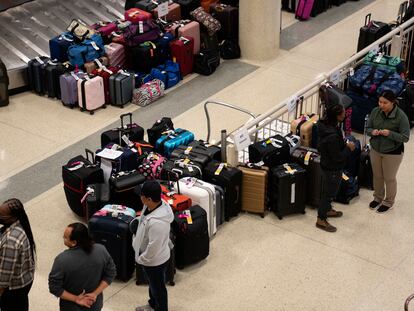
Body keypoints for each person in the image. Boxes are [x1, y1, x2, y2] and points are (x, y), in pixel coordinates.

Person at [48, 222, 116, 311]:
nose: (63, 238)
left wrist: (76, 298)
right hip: (95, 304)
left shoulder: (62, 260)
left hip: (71, 307)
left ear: (73, 243)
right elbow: (111, 273)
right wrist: (95, 293)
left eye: (65, 237)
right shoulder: (101, 250)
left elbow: (54, 288)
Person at [132, 180, 174, 311]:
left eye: (141, 195)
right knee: (153, 285)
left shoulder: (157, 224)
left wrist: (141, 259)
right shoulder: (157, 205)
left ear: (148, 199)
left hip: (154, 262)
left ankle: (159, 308)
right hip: (154, 258)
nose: (140, 197)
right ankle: (152, 305)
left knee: (158, 289)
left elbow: (153, 248)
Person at [367, 90, 410, 213]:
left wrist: (390, 134)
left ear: (392, 102)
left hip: (393, 152)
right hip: (375, 149)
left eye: (385, 103)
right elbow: (368, 128)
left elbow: (405, 137)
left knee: (389, 178)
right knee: (377, 176)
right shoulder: (375, 111)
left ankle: (388, 202)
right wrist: (372, 132)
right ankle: (378, 197)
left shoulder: (401, 117)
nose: (381, 105)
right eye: (380, 102)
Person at [317, 104, 356, 232]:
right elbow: (338, 157)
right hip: (332, 168)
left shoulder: (325, 125)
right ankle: (321, 219)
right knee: (328, 193)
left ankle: (327, 210)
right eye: (343, 113)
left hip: (325, 163)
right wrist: (348, 148)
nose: (345, 114)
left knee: (328, 190)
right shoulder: (332, 135)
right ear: (338, 116)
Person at [0, 198, 36, 311]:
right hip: (25, 280)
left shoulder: (11, 242)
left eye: (1, 214)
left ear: (11, 217)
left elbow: (4, 277)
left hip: (13, 288)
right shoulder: (20, 223)